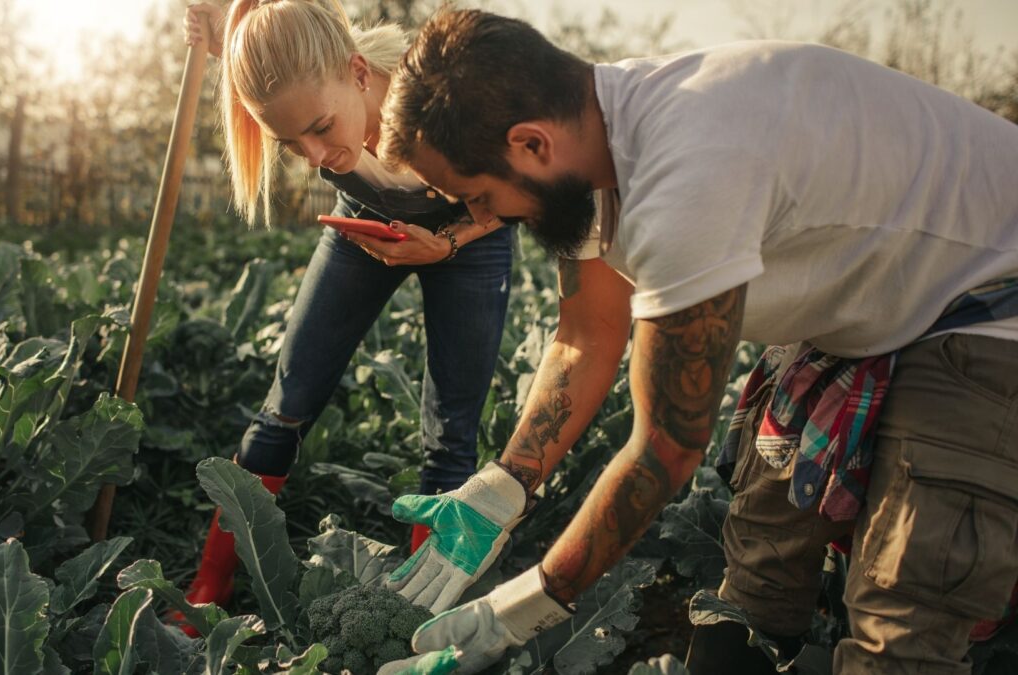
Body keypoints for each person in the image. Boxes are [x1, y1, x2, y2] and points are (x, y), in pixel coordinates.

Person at [371, 9, 1018, 675]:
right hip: (882, 301)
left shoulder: (689, 171)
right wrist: (502, 488)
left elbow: (667, 450)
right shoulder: (597, 143)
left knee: (905, 615)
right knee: (757, 581)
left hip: (990, 302)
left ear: (532, 144)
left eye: (477, 196)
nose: (481, 219)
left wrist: (526, 604)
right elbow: (588, 335)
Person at [175, 0, 515, 628]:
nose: (313, 155)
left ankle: (420, 614)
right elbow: (275, 73)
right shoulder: (307, 87)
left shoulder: (450, 101)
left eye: (322, 128)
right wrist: (222, 38)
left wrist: (445, 243)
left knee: (451, 433)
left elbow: (520, 189)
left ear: (360, 74)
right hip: (365, 231)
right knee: (285, 405)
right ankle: (208, 586)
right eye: (289, 142)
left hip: (471, 240)